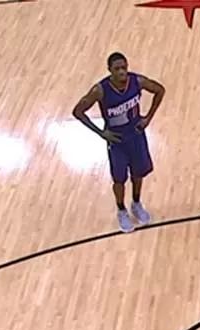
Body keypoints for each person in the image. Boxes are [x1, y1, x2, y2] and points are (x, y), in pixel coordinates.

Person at [72, 52, 166, 232]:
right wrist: (101, 132)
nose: (122, 72)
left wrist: (148, 118)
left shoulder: (137, 81)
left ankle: (136, 203)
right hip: (117, 141)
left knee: (138, 174)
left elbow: (160, 90)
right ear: (110, 71)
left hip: (136, 136)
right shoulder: (100, 90)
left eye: (124, 67)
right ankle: (121, 210)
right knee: (119, 180)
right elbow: (78, 111)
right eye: (117, 69)